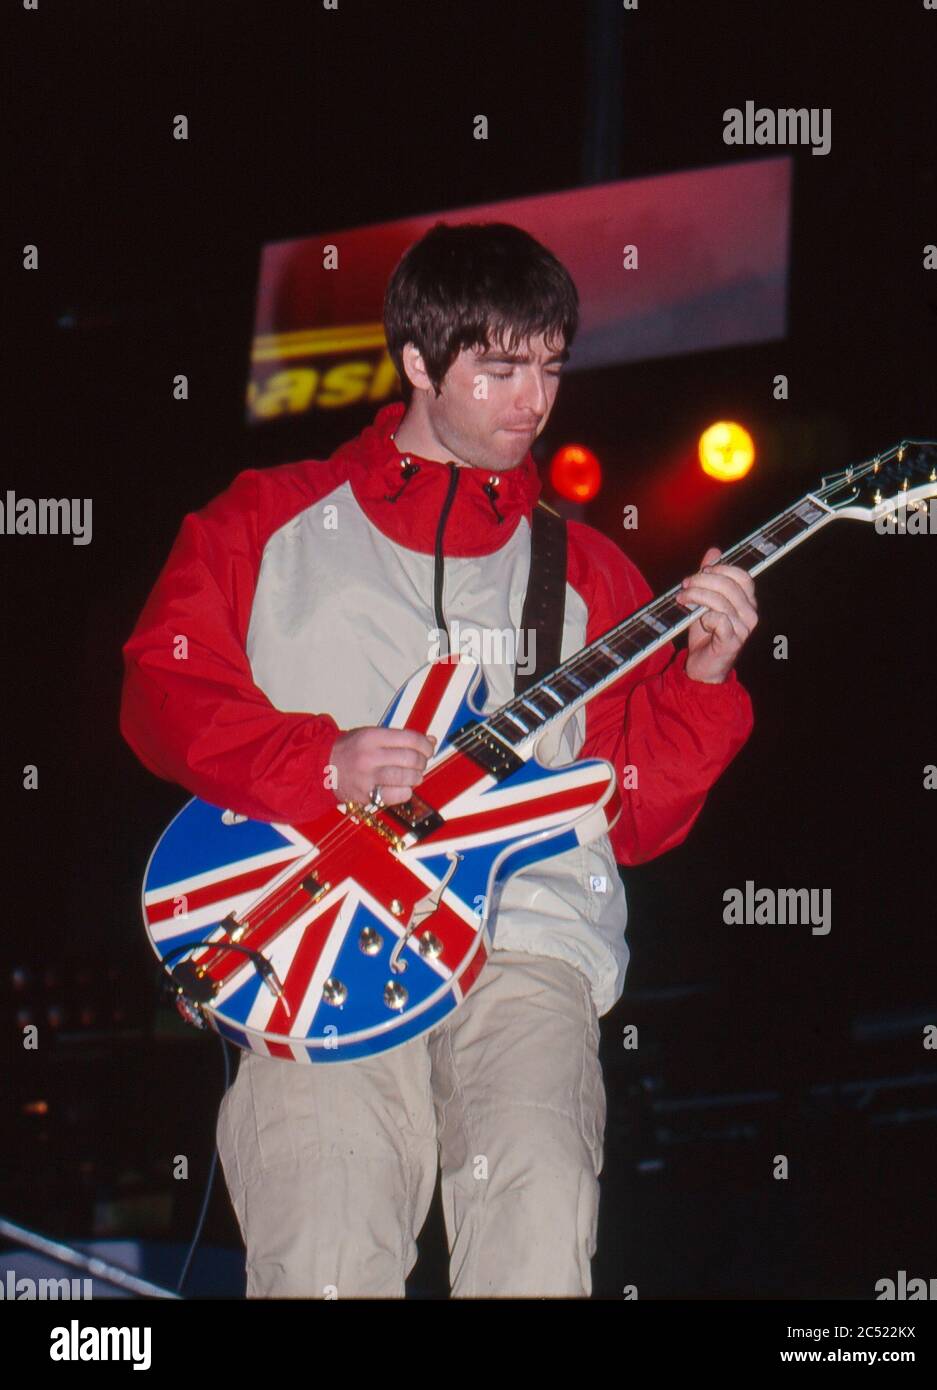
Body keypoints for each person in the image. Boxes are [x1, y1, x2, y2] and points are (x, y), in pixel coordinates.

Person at [120, 221, 757, 1298]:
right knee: (330, 1237)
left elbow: (631, 813)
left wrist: (700, 685)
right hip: (312, 929)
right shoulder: (265, 520)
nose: (532, 400)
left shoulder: (590, 568)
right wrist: (316, 759)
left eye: (549, 366)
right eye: (498, 367)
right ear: (416, 362)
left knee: (538, 1210)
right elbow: (159, 692)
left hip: (524, 935)